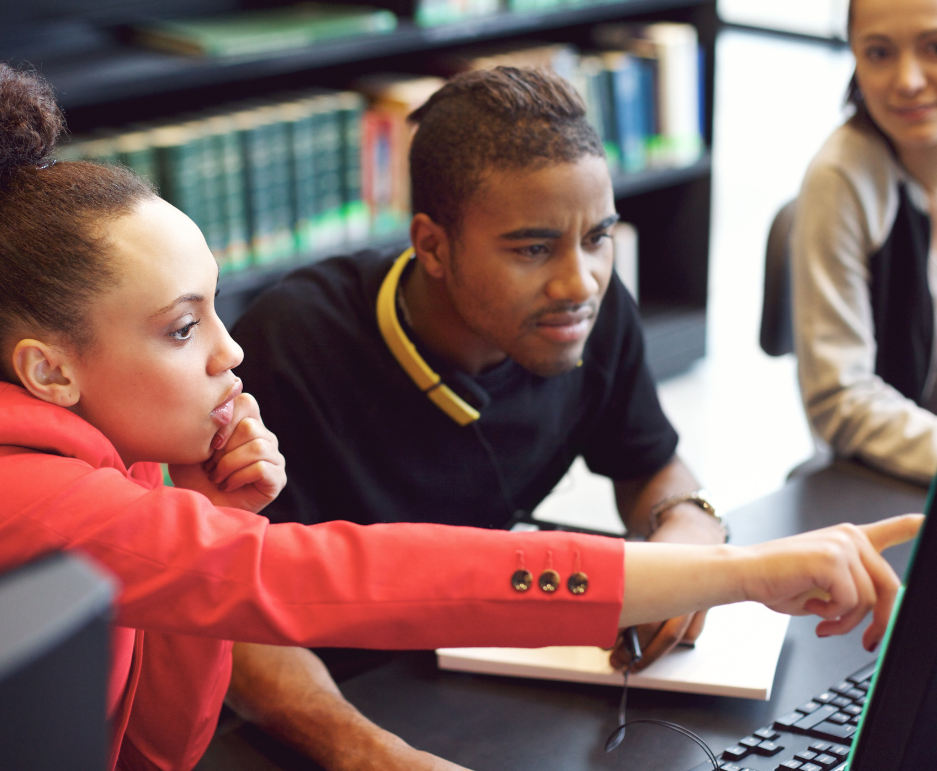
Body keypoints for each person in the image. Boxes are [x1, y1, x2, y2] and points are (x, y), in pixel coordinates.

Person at [0, 59, 918, 771]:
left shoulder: (106, 475)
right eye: (181, 328)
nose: (231, 350)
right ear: (50, 369)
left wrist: (215, 515)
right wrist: (739, 572)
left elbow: (154, 750)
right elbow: (349, 576)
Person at [223, 68, 797, 768]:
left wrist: (691, 525)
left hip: (482, 668)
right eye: (533, 248)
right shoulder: (293, 344)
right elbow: (232, 617)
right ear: (431, 245)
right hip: (334, 696)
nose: (579, 281)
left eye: (598, 237)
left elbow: (648, 461)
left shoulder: (588, 313)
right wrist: (369, 754)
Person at [794, 0, 937, 485]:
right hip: (886, 479)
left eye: (934, 47)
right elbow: (840, 398)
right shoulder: (841, 179)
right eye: (879, 53)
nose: (908, 80)